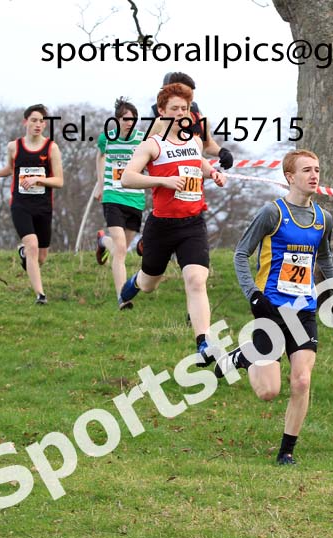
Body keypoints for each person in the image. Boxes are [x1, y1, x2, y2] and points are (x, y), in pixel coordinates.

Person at [215, 149, 333, 466]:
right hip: (270, 308)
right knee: (268, 391)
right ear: (290, 177)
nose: (314, 175)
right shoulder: (272, 213)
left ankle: (286, 451)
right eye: (307, 170)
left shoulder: (323, 218)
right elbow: (241, 253)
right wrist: (253, 295)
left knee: (301, 381)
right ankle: (243, 355)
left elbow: (324, 258)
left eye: (317, 169)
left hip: (304, 309)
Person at [118, 82, 226, 362]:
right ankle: (135, 281)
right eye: (175, 108)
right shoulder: (152, 145)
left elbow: (200, 164)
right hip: (161, 226)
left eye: (185, 108)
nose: (181, 113)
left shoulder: (193, 141)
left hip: (192, 224)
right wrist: (162, 180)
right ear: (162, 112)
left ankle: (204, 343)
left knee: (196, 279)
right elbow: (127, 178)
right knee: (150, 282)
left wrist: (213, 173)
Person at [0, 104, 64, 305]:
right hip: (20, 205)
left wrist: (40, 181)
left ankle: (24, 254)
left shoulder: (51, 148)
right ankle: (40, 295)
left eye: (41, 121)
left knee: (41, 257)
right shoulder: (14, 146)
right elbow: (12, 169)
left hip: (43, 207)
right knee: (32, 245)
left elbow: (59, 181)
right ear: (25, 122)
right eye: (34, 120)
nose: (38, 125)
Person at [93, 97, 147, 310]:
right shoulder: (107, 138)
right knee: (122, 249)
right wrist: (100, 184)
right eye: (125, 119)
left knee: (119, 247)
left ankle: (102, 242)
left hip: (135, 199)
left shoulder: (142, 140)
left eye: (132, 120)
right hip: (113, 197)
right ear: (117, 120)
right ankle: (122, 298)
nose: (129, 123)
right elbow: (99, 156)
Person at [150, 72, 234, 170]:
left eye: (187, 92)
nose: (184, 95)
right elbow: (145, 151)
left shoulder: (202, 120)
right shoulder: (160, 122)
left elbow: (207, 146)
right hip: (167, 180)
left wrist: (222, 152)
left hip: (196, 181)